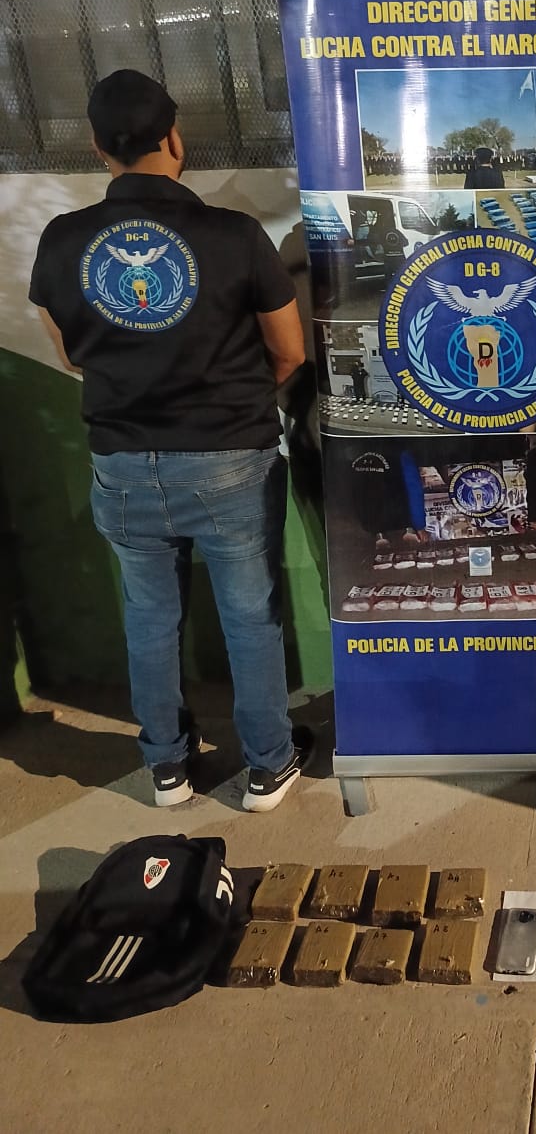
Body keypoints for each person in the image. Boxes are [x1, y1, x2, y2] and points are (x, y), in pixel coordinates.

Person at [29, 69, 313, 812]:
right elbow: (289, 352)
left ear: (99, 147)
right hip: (230, 459)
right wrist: (235, 406)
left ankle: (166, 767)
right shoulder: (234, 235)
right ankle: (266, 766)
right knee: (250, 619)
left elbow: (72, 355)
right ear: (175, 140)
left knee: (150, 621)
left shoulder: (61, 241)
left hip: (122, 462)